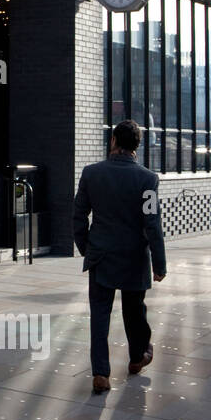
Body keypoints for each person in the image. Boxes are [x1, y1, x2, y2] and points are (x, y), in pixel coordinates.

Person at [72, 119, 168, 394]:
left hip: (101, 255)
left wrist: (86, 248)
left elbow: (78, 215)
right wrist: (159, 264)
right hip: (134, 257)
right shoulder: (148, 179)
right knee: (134, 311)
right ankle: (137, 357)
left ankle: (101, 373)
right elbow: (152, 223)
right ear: (137, 146)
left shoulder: (91, 173)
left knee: (100, 315)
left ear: (113, 141)